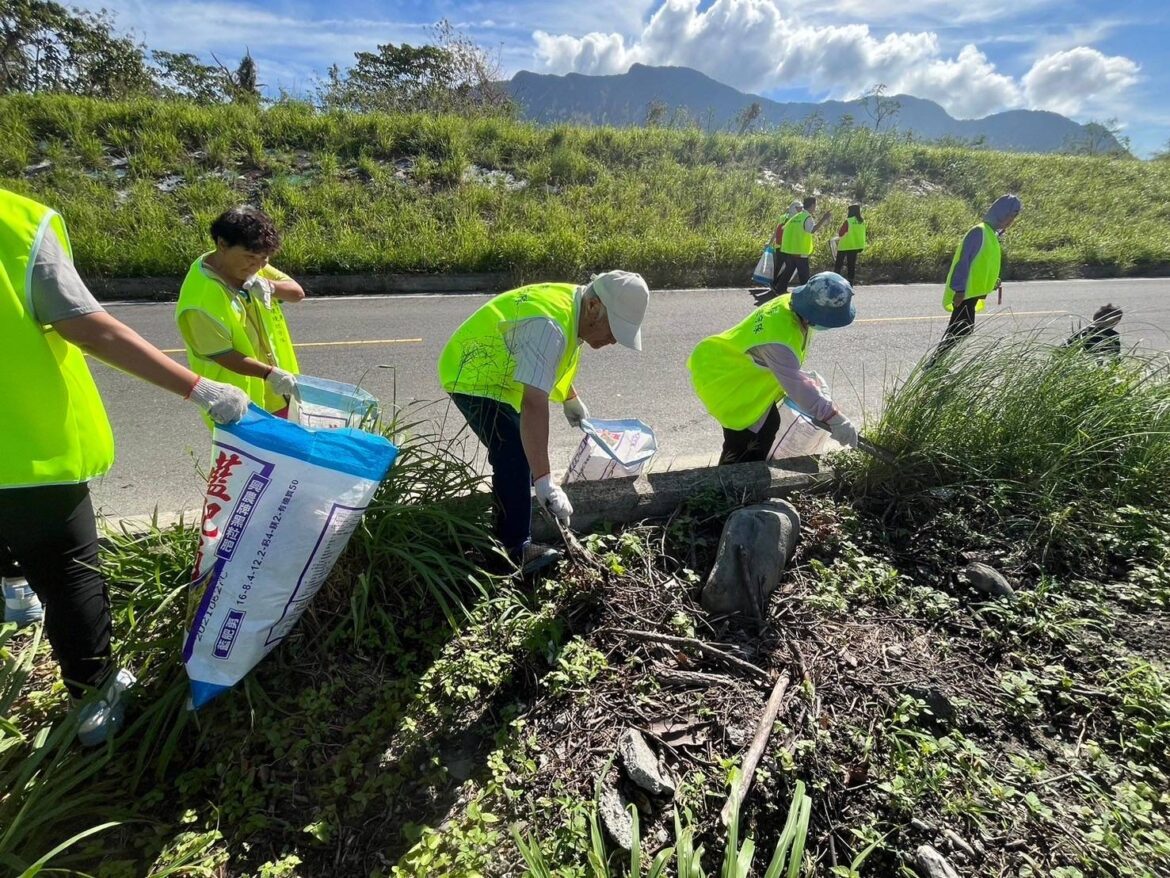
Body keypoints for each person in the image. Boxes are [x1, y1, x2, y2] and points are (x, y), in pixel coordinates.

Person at [0, 187, 250, 744]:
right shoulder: (16, 222)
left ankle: (13, 591)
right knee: (69, 576)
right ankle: (95, 696)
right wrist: (198, 387)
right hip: (23, 450)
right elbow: (87, 325)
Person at [438, 271, 650, 572]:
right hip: (472, 373)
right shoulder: (549, 325)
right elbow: (534, 403)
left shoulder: (576, 306)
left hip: (501, 375)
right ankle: (512, 552)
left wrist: (569, 397)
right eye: (614, 329)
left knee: (521, 456)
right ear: (594, 307)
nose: (614, 340)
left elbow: (551, 361)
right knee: (513, 453)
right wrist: (545, 481)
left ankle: (512, 522)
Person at [688, 272, 861, 465]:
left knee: (769, 426)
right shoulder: (780, 339)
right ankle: (729, 487)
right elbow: (796, 386)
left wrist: (800, 380)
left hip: (737, 368)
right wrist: (834, 418)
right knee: (746, 442)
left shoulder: (791, 304)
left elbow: (786, 369)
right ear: (816, 316)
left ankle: (742, 482)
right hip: (729, 381)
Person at [176, 206, 305, 422]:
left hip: (278, 394)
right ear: (222, 245)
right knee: (256, 457)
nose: (257, 265)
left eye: (264, 258)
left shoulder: (249, 265)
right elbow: (222, 354)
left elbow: (296, 293)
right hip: (238, 406)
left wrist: (270, 286)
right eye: (251, 257)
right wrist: (269, 374)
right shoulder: (200, 300)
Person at [929, 194, 1022, 363]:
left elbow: (984, 263)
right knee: (960, 329)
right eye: (1010, 216)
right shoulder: (979, 232)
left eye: (1013, 217)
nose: (1011, 221)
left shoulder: (991, 235)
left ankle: (936, 363)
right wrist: (959, 289)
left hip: (971, 294)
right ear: (1000, 212)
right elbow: (964, 261)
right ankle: (934, 364)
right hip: (964, 293)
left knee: (961, 329)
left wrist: (992, 281)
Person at [772, 196, 834, 295]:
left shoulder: (796, 216)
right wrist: (824, 218)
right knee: (804, 277)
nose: (815, 208)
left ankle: (779, 290)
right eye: (815, 205)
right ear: (813, 205)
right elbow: (812, 230)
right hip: (800, 252)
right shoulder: (807, 217)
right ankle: (806, 296)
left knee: (788, 272)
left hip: (791, 251)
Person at [833, 204, 866, 284]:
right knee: (851, 266)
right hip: (855, 246)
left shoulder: (848, 221)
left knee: (838, 265)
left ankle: (834, 282)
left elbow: (841, 233)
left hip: (844, 246)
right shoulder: (861, 221)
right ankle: (850, 283)